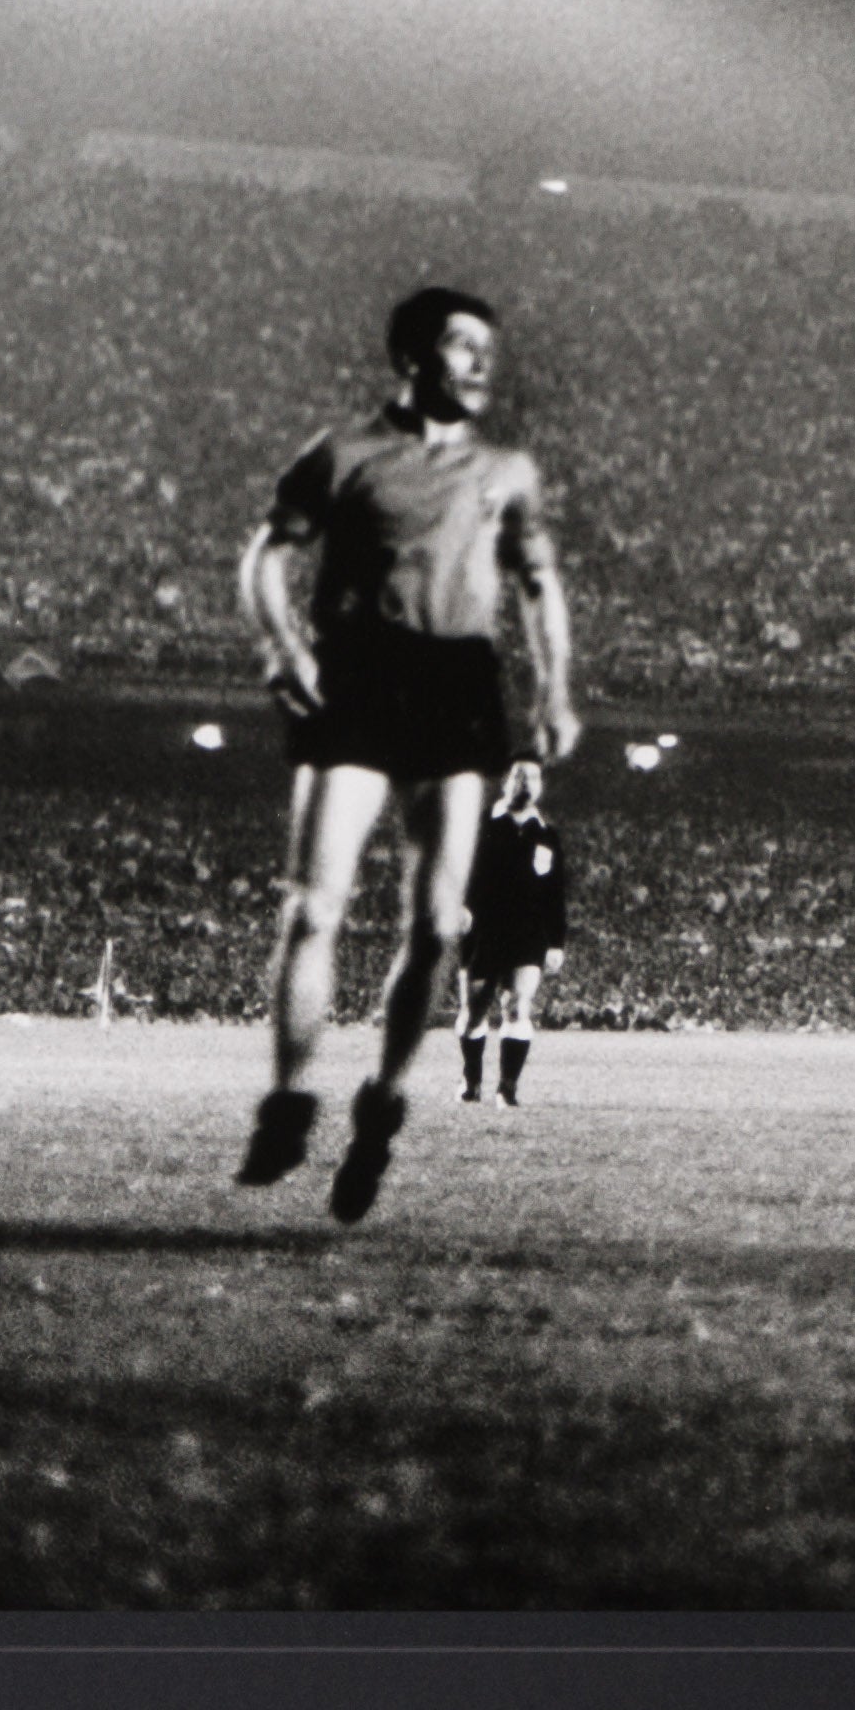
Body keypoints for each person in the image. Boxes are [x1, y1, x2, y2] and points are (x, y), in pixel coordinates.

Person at [234, 285, 578, 1219]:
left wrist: (553, 688)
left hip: (457, 684)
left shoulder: (505, 470)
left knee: (435, 929)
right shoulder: (344, 454)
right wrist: (281, 647)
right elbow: (265, 556)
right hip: (357, 674)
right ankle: (288, 1101)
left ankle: (380, 1107)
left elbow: (539, 585)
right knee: (313, 908)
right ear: (413, 357)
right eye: (462, 344)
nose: (481, 361)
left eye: (486, 348)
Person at [456, 755, 571, 1108]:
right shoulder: (481, 825)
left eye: (533, 777)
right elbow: (457, 870)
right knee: (475, 1009)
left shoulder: (547, 834)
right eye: (520, 776)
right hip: (483, 929)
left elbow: (555, 893)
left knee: (518, 1006)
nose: (526, 783)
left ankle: (507, 1088)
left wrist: (556, 942)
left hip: (527, 931)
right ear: (506, 781)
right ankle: (471, 1079)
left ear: (541, 785)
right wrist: (460, 905)